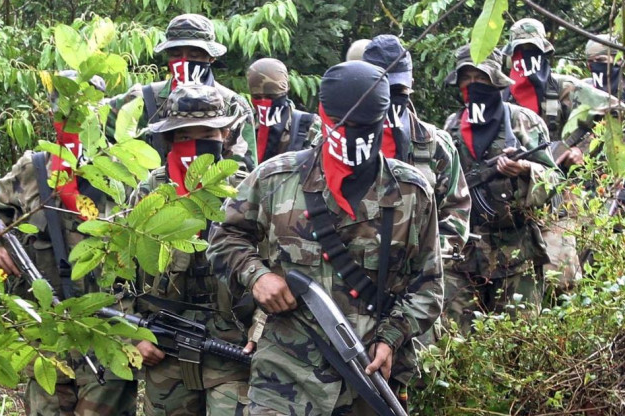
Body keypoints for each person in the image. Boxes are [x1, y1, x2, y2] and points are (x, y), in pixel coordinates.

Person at [207, 60, 443, 415]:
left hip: (370, 377)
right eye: (343, 126)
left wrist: (391, 336)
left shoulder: (411, 192)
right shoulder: (275, 178)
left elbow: (429, 285)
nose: (352, 136)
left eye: (365, 128)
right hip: (284, 376)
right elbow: (224, 237)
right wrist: (258, 277)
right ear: (322, 116)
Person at [0, 70, 138, 416]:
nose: (74, 121)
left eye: (83, 112)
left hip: (107, 327)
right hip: (46, 331)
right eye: (65, 111)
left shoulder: (121, 170)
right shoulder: (32, 168)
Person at [130, 84, 254, 416]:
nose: (194, 147)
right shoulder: (148, 193)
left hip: (232, 350)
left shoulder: (247, 190)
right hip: (165, 348)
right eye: (183, 136)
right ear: (168, 138)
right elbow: (117, 273)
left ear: (225, 134)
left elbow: (275, 270)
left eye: (206, 135)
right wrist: (134, 334)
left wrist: (260, 334)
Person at [442, 45, 560, 333]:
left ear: (495, 81)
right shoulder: (452, 127)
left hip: (516, 255)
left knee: (521, 344)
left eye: (480, 79)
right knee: (456, 344)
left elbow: (554, 182)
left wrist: (526, 170)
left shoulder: (524, 122)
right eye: (466, 80)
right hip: (463, 258)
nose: (472, 87)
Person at [362, 34, 470, 339]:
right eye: (382, 86)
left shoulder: (435, 144)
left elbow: (457, 209)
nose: (392, 96)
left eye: (399, 89)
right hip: (355, 284)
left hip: (416, 292)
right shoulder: (347, 139)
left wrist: (429, 261)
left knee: (418, 375)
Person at [502, 18, 621, 293]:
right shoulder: (501, 98)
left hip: (561, 196)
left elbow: (614, 110)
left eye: (532, 54)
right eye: (520, 54)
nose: (525, 62)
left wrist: (582, 148)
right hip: (516, 201)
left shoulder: (566, 89)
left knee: (561, 280)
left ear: (544, 54)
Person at [107, 14, 256, 170]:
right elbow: (97, 128)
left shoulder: (233, 105)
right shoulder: (142, 99)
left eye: (194, 55)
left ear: (211, 57)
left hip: (212, 191)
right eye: (176, 54)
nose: (184, 60)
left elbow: (244, 174)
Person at [246, 58, 320, 163]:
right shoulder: (244, 125)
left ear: (286, 88)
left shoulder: (309, 125)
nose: (264, 102)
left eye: (271, 97)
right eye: (257, 97)